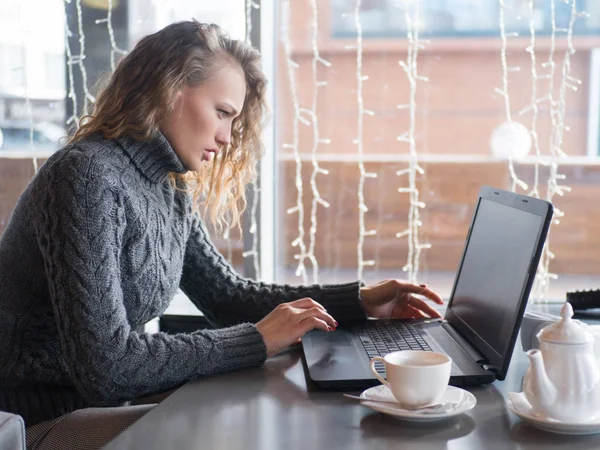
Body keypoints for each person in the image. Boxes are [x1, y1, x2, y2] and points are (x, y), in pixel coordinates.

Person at [0, 20, 443, 449]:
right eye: (223, 112)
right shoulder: (85, 177)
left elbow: (226, 296)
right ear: (168, 89)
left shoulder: (166, 187)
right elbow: (107, 367)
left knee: (276, 399)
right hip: (37, 424)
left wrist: (357, 301)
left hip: (106, 404)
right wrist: (257, 339)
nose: (229, 137)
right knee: (248, 427)